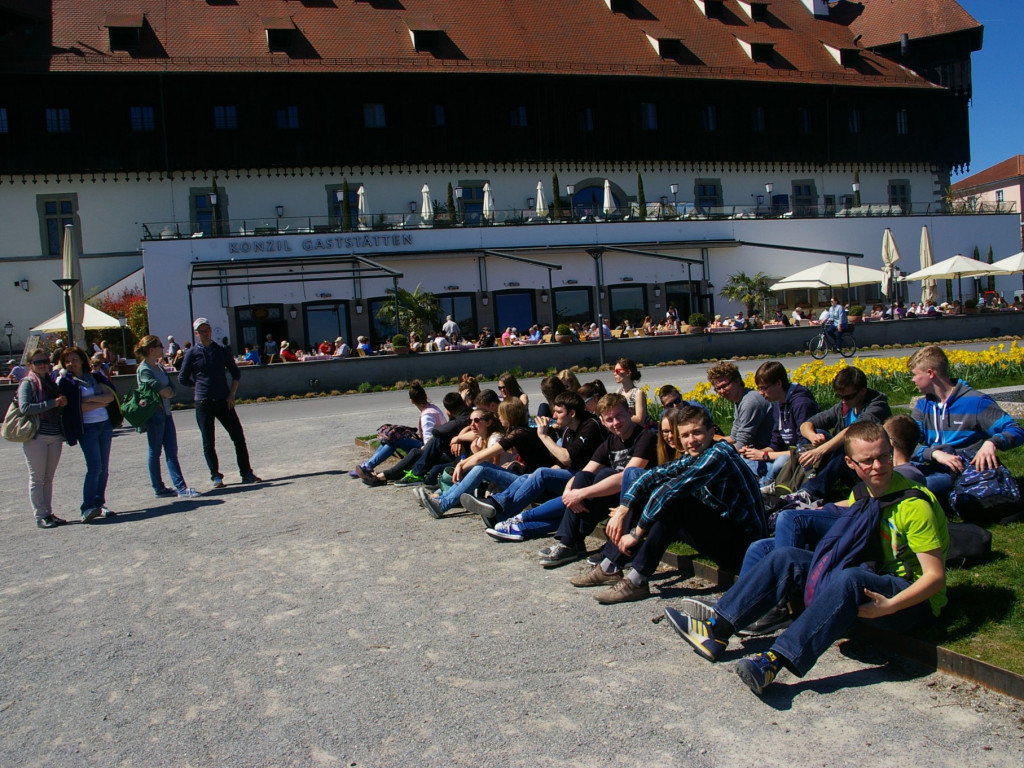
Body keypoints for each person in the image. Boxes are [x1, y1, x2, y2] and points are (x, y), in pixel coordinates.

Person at [665, 421, 948, 696]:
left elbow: (935, 578)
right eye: (868, 461)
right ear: (850, 464)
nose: (878, 466)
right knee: (784, 556)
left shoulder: (914, 505)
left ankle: (773, 662)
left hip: (911, 600)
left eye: (884, 456)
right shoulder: (863, 493)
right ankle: (717, 629)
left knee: (849, 578)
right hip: (874, 579)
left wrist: (889, 606)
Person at [572, 406, 767, 603]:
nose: (691, 440)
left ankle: (635, 580)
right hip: (723, 535)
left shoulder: (718, 455)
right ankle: (610, 566)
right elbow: (650, 477)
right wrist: (623, 509)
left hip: (745, 549)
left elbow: (670, 491)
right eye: (685, 435)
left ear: (711, 432)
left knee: (675, 502)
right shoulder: (695, 455)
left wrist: (636, 534)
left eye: (697, 432)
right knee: (652, 491)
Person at [537, 393, 659, 568]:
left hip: (639, 499)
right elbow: (586, 471)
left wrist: (581, 494)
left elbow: (626, 477)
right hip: (614, 498)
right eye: (609, 419)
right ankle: (569, 542)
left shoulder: (645, 437)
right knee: (583, 477)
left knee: (605, 475)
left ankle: (572, 542)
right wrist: (569, 493)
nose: (615, 423)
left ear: (630, 412)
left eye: (619, 416)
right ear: (603, 421)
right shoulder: (611, 441)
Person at [468, 391, 604, 538]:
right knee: (530, 476)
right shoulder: (568, 430)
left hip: (591, 481)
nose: (554, 415)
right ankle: (500, 508)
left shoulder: (591, 426)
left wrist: (543, 436)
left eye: (559, 412)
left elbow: (566, 458)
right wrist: (537, 476)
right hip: (575, 478)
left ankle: (503, 513)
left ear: (571, 413)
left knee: (541, 473)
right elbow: (561, 464)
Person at [908, 345, 1024, 496]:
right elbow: (905, 443)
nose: (912, 379)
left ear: (930, 373)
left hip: (961, 469)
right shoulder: (923, 406)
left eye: (915, 374)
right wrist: (934, 454)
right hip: (931, 465)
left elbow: (1016, 430)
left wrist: (992, 442)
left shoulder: (975, 402)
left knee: (917, 489)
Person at [417, 399, 549, 518]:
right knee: (478, 467)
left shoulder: (518, 433)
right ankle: (441, 499)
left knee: (482, 468)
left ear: (509, 416)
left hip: (531, 483)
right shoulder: (521, 429)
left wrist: (461, 465)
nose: (498, 416)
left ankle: (442, 504)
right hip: (527, 478)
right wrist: (460, 443)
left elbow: (483, 456)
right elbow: (474, 438)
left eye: (501, 413)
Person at [178, 318, 262, 489]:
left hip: (224, 400)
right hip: (204, 402)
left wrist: (232, 394)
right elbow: (182, 378)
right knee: (208, 441)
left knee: (238, 436)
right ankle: (215, 476)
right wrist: (197, 386)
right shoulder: (192, 353)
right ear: (196, 334)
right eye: (202, 331)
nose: (206, 333)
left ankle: (246, 472)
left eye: (207, 329)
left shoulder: (221, 350)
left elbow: (235, 373)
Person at [793, 366, 891, 502]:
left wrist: (820, 451)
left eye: (849, 396)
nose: (844, 401)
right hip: (846, 463)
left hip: (866, 463)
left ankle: (811, 491)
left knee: (845, 445)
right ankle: (792, 485)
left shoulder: (877, 406)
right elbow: (806, 425)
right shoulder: (844, 407)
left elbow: (853, 431)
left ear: (863, 391)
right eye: (840, 396)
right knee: (818, 433)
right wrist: (813, 437)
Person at [136, 335, 201, 499]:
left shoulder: (160, 367)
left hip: (166, 412)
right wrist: (167, 392)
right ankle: (160, 487)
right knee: (155, 451)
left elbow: (171, 388)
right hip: (154, 415)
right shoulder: (144, 369)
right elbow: (164, 390)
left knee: (171, 451)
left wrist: (167, 392)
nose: (162, 348)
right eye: (159, 346)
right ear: (151, 350)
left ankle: (179, 487)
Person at [57, 346, 116, 522]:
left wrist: (90, 399)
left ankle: (99, 504)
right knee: (94, 467)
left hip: (104, 425)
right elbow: (76, 408)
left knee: (104, 468)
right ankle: (87, 507)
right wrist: (99, 401)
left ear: (82, 360)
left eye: (74, 359)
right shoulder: (66, 382)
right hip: (87, 428)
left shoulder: (95, 376)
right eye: (67, 361)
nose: (70, 363)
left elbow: (111, 397)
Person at [738, 361, 819, 488]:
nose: (760, 393)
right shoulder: (778, 404)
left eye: (764, 388)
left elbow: (804, 449)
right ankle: (761, 484)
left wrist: (765, 456)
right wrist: (753, 453)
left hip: (802, 459)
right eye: (758, 388)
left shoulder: (801, 404)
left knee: (779, 463)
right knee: (744, 460)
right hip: (784, 455)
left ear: (779, 383)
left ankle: (763, 488)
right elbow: (775, 444)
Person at [355, 381, 446, 482]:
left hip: (432, 448)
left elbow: (429, 439)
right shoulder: (433, 407)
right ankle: (368, 465)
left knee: (395, 441)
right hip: (437, 444)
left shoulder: (427, 415)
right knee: (393, 439)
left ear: (411, 401)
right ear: (425, 395)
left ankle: (368, 466)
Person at [18, 352, 67, 528]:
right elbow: (25, 408)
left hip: (54, 434)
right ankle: (41, 515)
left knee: (48, 478)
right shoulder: (28, 383)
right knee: (37, 478)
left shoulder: (51, 382)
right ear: (30, 364)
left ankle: (48, 512)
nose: (43, 365)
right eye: (38, 362)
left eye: (45, 361)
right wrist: (53, 403)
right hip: (36, 436)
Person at [706, 362, 773, 472]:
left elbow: (742, 442)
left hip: (763, 454)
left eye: (725, 385)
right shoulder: (739, 400)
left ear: (737, 381)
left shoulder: (750, 401)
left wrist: (711, 457)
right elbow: (733, 437)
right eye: (718, 388)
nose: (722, 391)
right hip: (751, 451)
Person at [613, 357, 650, 427]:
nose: (615, 374)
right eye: (614, 371)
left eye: (617, 371)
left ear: (628, 372)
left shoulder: (638, 393)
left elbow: (640, 420)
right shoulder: (618, 392)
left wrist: (622, 416)